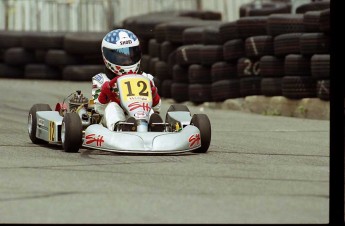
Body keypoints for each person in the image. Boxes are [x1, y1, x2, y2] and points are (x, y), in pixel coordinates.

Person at [91, 29, 161, 131]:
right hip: (112, 121)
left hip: (140, 116)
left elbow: (157, 109)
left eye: (130, 55)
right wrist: (105, 93)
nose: (127, 59)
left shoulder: (146, 78)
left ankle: (155, 128)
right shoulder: (101, 80)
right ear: (107, 56)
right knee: (112, 107)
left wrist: (154, 96)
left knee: (149, 110)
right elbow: (99, 111)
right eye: (121, 56)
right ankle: (120, 128)